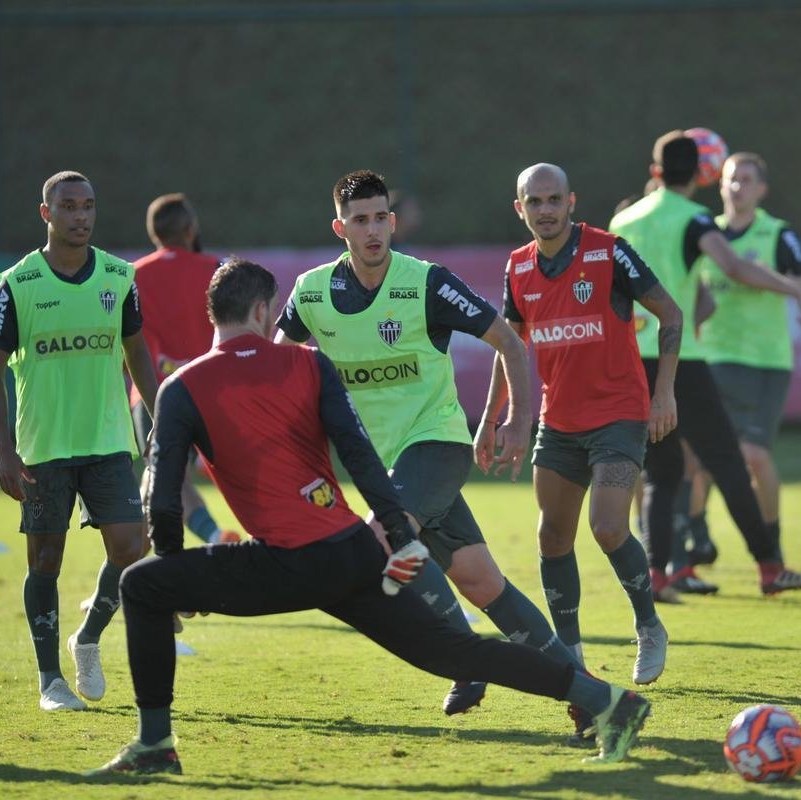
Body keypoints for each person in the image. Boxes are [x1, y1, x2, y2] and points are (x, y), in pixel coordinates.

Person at [86, 257, 651, 775]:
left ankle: (156, 744)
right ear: (263, 310)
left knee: (141, 585)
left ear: (214, 313)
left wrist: (174, 571)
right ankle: (605, 701)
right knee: (453, 651)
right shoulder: (308, 364)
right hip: (349, 550)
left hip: (282, 561)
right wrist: (400, 534)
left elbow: (163, 497)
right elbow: (358, 453)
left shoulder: (182, 387)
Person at [274, 170, 582, 725]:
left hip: (437, 445)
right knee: (482, 582)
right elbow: (278, 365)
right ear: (339, 227)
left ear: (392, 221)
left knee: (379, 543)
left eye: (380, 218)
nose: (373, 231)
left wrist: (516, 419)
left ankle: (465, 657)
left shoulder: (426, 283)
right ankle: (586, 695)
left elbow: (510, 341)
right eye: (360, 220)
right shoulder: (312, 293)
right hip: (384, 469)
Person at [476, 162, 680, 693]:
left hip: (620, 415)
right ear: (519, 209)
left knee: (609, 527)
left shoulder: (609, 252)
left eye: (553, 199)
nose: (545, 210)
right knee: (551, 536)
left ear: (572, 202)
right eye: (534, 202)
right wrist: (494, 418)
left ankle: (649, 626)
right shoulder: (517, 268)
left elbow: (671, 314)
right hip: (559, 422)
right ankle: (571, 653)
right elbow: (510, 348)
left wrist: (664, 393)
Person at [609, 131, 801, 597]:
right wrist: (795, 289)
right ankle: (770, 566)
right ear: (703, 175)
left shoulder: (622, 219)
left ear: (655, 171)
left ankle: (657, 575)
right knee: (726, 462)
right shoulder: (696, 219)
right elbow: (735, 267)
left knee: (662, 474)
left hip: (630, 362)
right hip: (680, 360)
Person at [0, 170, 159, 711]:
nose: (81, 215)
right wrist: (4, 449)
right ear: (47, 213)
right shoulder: (19, 282)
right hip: (43, 447)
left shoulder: (118, 277)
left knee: (132, 546)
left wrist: (163, 423)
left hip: (107, 441)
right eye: (69, 206)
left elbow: (138, 356)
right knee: (45, 563)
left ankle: (87, 638)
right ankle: (49, 682)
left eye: (88, 206)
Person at [690, 152, 801, 579]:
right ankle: (696, 541)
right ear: (720, 185)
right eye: (732, 179)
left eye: (747, 180)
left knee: (753, 456)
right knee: (695, 459)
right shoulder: (704, 233)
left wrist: (773, 278)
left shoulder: (776, 233)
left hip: (764, 363)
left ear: (762, 189)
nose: (738, 187)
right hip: (710, 358)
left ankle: (772, 546)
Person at [128, 192, 238, 546]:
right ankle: (126, 576)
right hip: (208, 393)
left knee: (164, 479)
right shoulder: (218, 271)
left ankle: (211, 538)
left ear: (153, 233)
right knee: (167, 480)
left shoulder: (132, 276)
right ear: (190, 228)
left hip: (152, 393)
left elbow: (126, 345)